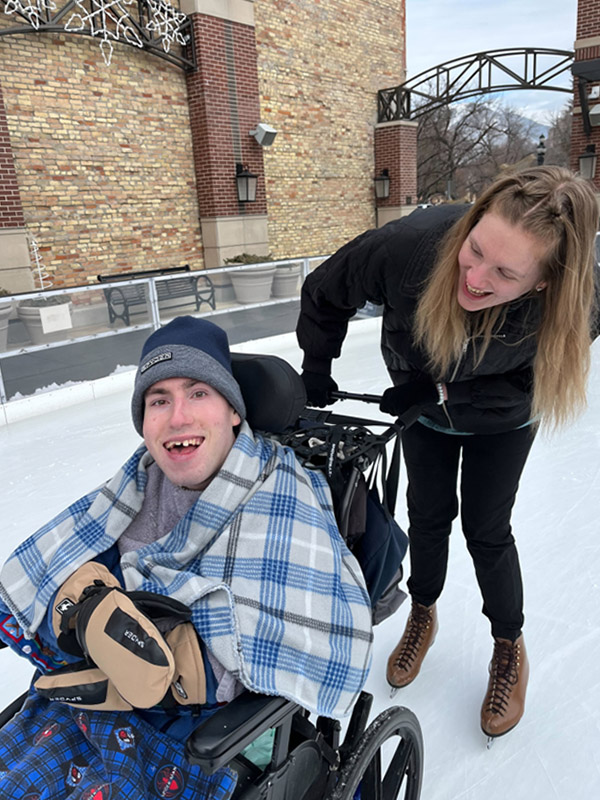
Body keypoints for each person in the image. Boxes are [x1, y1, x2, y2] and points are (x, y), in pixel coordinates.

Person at [0, 316, 373, 800]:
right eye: (159, 400)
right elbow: (59, 561)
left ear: (233, 412)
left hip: (191, 740)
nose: (178, 417)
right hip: (86, 698)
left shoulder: (280, 494)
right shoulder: (134, 485)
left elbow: (296, 629)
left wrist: (153, 649)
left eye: (199, 393)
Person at [296, 165, 600, 739]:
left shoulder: (576, 302)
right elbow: (325, 290)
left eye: (504, 271)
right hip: (425, 415)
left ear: (543, 283)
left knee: (488, 528)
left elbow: (528, 386)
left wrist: (441, 390)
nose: (475, 275)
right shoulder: (408, 250)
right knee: (428, 515)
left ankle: (508, 644)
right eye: (476, 248)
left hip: (502, 422)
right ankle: (423, 611)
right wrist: (316, 368)